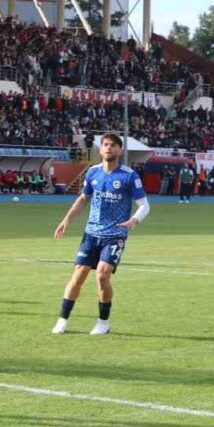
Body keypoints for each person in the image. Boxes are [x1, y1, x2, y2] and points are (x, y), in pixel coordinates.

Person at [51, 133, 149, 335]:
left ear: (120, 150)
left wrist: (134, 219)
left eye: (113, 145)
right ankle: (62, 320)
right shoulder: (93, 172)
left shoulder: (129, 176)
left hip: (115, 234)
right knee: (78, 275)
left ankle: (103, 322)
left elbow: (144, 205)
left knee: (103, 274)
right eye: (105, 144)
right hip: (91, 233)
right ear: (100, 149)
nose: (108, 148)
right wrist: (66, 220)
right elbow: (83, 199)